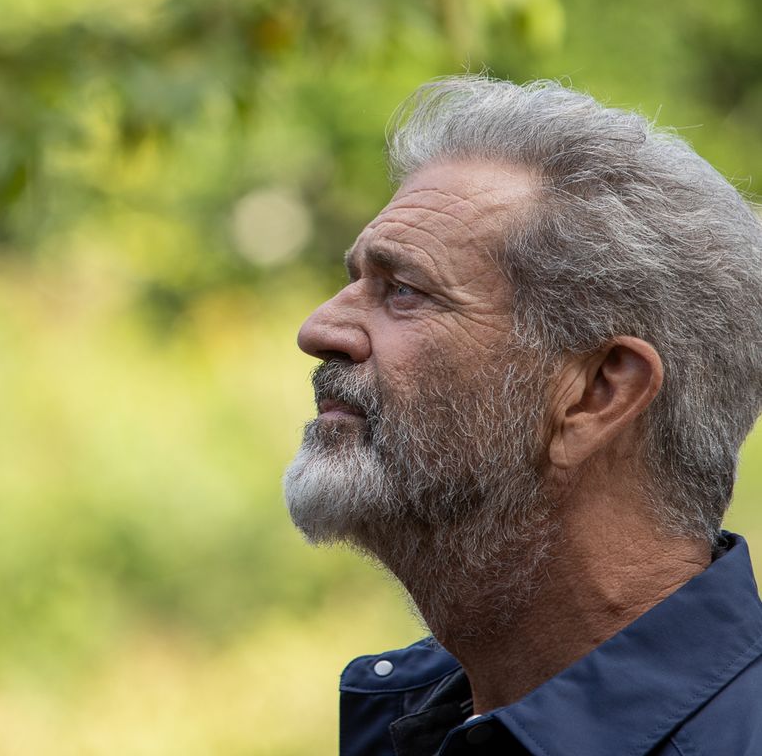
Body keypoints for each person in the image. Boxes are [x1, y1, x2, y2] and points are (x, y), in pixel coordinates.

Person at [283, 76, 762, 755]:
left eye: (403, 290)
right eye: (355, 279)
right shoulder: (414, 719)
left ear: (598, 392)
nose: (319, 329)